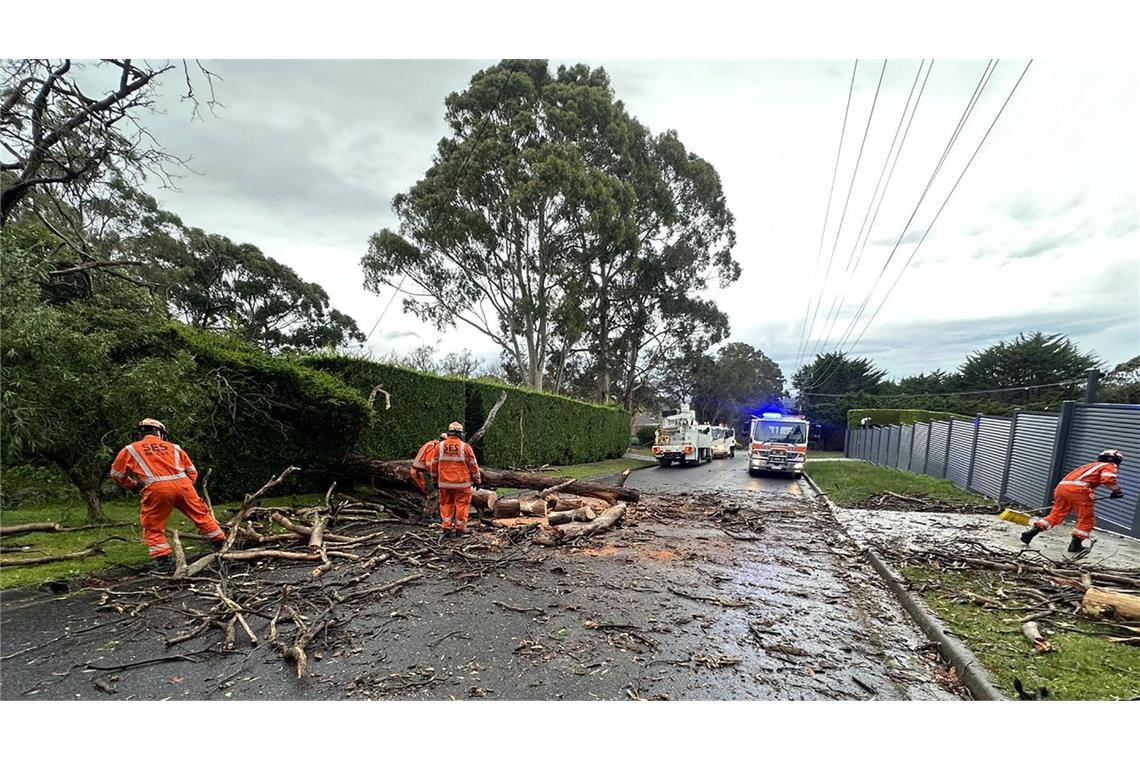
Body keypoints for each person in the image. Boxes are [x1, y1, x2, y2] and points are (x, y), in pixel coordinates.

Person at [109, 419, 225, 572]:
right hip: (183, 485)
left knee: (153, 526)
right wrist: (186, 486)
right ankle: (222, 545)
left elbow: (116, 474)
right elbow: (192, 472)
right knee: (201, 515)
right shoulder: (175, 448)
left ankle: (164, 562)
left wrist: (134, 485)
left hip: (156, 488)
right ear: (160, 432)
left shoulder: (130, 449)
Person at [1021, 449, 1126, 554]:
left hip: (1061, 488)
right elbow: (1108, 479)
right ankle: (1075, 546)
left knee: (1056, 514)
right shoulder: (1109, 465)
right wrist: (1117, 491)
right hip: (1079, 490)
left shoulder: (1089, 465)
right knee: (1086, 519)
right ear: (1116, 460)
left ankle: (1031, 533)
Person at [428, 421, 481, 537]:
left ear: (449, 432)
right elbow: (473, 465)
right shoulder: (465, 447)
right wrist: (477, 480)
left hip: (444, 483)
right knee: (462, 505)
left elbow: (433, 465)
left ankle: (447, 527)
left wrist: (434, 481)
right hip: (462, 484)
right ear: (461, 434)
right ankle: (460, 529)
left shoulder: (439, 447)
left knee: (446, 504)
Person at [410, 433, 446, 522]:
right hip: (422, 472)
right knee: (433, 493)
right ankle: (427, 517)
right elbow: (429, 464)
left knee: (435, 492)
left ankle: (434, 514)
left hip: (423, 471)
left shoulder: (432, 444)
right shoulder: (434, 446)